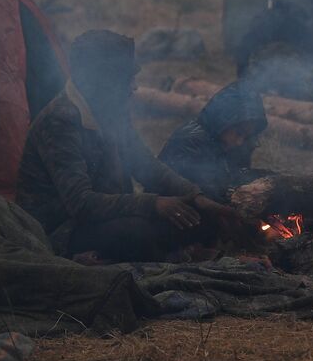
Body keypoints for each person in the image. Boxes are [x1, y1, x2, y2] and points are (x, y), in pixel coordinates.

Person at [17, 30, 236, 262]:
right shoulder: (61, 120)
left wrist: (194, 195)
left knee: (203, 214)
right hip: (61, 230)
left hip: (106, 216)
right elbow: (81, 203)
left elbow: (145, 165)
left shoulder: (111, 109)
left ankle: (176, 250)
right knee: (137, 232)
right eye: (125, 78)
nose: (133, 87)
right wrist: (153, 204)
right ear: (102, 81)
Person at [159, 80, 269, 202]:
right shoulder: (191, 142)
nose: (239, 141)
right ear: (223, 121)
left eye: (246, 136)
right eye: (238, 133)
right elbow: (206, 194)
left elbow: (237, 178)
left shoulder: (235, 145)